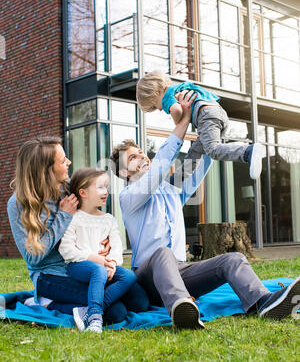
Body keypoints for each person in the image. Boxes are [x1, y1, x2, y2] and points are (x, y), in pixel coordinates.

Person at [110, 90, 300, 329]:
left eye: (142, 154)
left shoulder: (170, 190)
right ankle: (181, 307)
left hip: (181, 271)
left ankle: (263, 303)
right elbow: (159, 168)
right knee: (162, 253)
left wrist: (209, 127)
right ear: (124, 173)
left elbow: (197, 163)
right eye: (133, 159)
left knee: (233, 259)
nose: (143, 158)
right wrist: (182, 122)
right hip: (149, 278)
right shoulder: (128, 197)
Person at [7, 137, 149, 329]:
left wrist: (103, 242)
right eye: (63, 160)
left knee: (140, 302)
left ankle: (92, 307)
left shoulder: (69, 188)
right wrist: (63, 216)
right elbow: (34, 258)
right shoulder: (18, 204)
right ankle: (48, 301)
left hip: (84, 265)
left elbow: (89, 219)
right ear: (47, 170)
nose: (69, 163)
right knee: (117, 312)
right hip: (50, 276)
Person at [57, 167, 146, 333]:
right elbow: (66, 249)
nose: (105, 192)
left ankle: (89, 309)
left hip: (105, 267)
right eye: (100, 187)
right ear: (82, 193)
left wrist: (112, 262)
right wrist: (94, 258)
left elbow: (117, 246)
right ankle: (95, 317)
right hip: (79, 265)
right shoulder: (74, 218)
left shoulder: (108, 219)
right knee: (98, 270)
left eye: (106, 187)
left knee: (131, 280)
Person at [136, 70, 265, 180]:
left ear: (156, 93)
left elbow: (176, 110)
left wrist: (179, 124)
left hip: (206, 115)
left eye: (154, 106)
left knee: (213, 150)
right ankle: (175, 182)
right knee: (195, 152)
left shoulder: (168, 96)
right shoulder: (180, 87)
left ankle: (247, 151)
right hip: (217, 113)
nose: (159, 109)